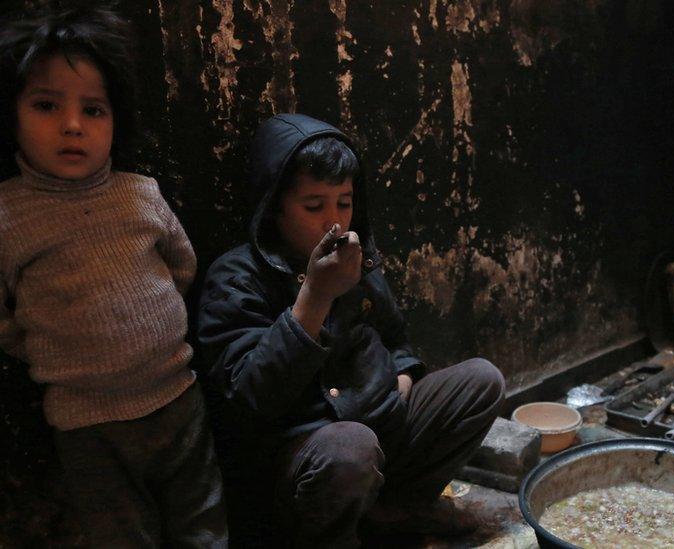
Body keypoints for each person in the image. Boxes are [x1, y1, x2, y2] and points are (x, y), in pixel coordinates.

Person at [195, 113, 505, 547]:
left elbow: (396, 338)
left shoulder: (356, 255)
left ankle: (397, 511)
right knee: (350, 449)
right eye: (314, 205)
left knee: (481, 381)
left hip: (379, 421)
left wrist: (403, 375)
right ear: (275, 206)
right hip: (304, 456)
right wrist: (316, 298)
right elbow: (249, 401)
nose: (334, 221)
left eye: (344, 201)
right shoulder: (236, 279)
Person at [0, 7, 227, 548]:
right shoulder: (8, 216)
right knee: (121, 536)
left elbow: (181, 266)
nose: (73, 124)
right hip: (87, 423)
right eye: (47, 105)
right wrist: (47, 349)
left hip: (177, 399)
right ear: (12, 114)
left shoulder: (139, 193)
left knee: (204, 523)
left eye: (93, 109)